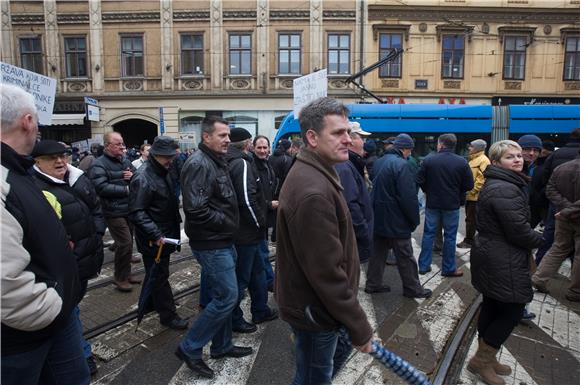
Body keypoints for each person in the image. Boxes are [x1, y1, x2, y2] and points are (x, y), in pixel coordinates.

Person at [275, 97, 373, 385]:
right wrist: (360, 326)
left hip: (317, 307)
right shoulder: (313, 191)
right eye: (338, 133)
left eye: (348, 132)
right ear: (312, 138)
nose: (348, 139)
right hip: (316, 310)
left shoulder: (316, 171)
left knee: (313, 372)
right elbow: (326, 272)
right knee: (314, 378)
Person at [1, 84, 89, 385]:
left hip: (48, 322)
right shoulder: (5, 178)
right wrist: (55, 305)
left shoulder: (17, 170)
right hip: (27, 335)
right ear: (27, 121)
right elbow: (4, 282)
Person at [177, 117, 252, 379]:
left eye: (228, 135)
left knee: (221, 295)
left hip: (222, 239)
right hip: (212, 242)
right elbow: (196, 209)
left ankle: (221, 345)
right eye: (222, 135)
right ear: (206, 137)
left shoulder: (215, 159)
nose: (228, 140)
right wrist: (228, 223)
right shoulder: (199, 163)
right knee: (227, 297)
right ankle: (190, 347)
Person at [468, 140, 543, 385]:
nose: (519, 159)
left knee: (493, 304)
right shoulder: (505, 188)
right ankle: (482, 361)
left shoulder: (503, 183)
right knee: (511, 310)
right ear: (498, 161)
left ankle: (485, 358)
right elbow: (519, 231)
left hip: (495, 253)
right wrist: (543, 239)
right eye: (510, 157)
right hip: (502, 256)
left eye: (519, 155)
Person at [31, 140, 106, 376]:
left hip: (86, 258)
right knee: (69, 310)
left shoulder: (78, 177)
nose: (60, 161)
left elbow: (96, 207)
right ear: (37, 162)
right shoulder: (35, 187)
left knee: (74, 306)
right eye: (52, 158)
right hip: (67, 264)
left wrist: (96, 232)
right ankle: (81, 353)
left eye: (63, 156)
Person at [129, 136, 188, 330]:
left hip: (164, 234)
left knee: (156, 273)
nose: (171, 161)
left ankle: (153, 303)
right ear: (157, 155)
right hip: (155, 239)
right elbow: (137, 212)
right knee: (159, 276)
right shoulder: (143, 177)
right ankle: (168, 315)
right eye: (168, 157)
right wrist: (155, 234)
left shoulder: (164, 169)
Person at [366, 134, 432, 299]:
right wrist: (414, 220)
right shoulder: (402, 165)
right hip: (396, 220)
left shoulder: (379, 161)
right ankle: (412, 289)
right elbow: (408, 197)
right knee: (405, 257)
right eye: (409, 150)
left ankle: (373, 284)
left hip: (378, 217)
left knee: (377, 253)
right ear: (405, 149)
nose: (410, 153)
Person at [225, 128, 278, 334]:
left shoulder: (232, 160)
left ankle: (260, 310)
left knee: (257, 272)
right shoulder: (242, 163)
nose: (262, 150)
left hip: (248, 231)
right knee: (241, 278)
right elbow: (246, 199)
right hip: (247, 232)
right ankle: (233, 319)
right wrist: (260, 222)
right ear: (248, 144)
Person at [417, 133, 474, 277]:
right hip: (452, 204)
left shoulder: (429, 161)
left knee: (429, 234)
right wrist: (457, 191)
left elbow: (419, 179)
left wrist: (428, 190)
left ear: (441, 144)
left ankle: (424, 266)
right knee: (450, 236)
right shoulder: (462, 162)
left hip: (433, 203)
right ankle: (448, 268)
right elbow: (469, 185)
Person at [90, 132, 140, 292]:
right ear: (107, 146)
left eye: (122, 144)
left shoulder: (125, 160)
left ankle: (126, 274)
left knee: (128, 242)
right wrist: (125, 189)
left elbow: (138, 177)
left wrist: (133, 176)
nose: (122, 147)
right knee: (124, 243)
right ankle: (120, 278)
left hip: (128, 208)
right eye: (118, 144)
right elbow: (100, 187)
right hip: (112, 210)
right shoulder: (99, 164)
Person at [532, 149, 580, 302]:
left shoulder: (561, 168)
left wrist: (565, 209)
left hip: (562, 216)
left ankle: (539, 278)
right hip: (568, 215)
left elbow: (550, 189)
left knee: (558, 247)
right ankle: (575, 290)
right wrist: (570, 210)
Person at [535, 128, 580, 263]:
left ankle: (539, 266)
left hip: (557, 206)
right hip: (577, 208)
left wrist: (562, 204)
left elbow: (546, 180)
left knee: (552, 240)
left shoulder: (556, 154)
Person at [336, 122, 374, 263]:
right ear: (350, 141)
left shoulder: (352, 163)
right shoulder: (345, 167)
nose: (364, 142)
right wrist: (364, 233)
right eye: (361, 138)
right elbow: (351, 205)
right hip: (355, 238)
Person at [252, 135, 279, 291]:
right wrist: (269, 204)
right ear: (253, 148)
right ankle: (270, 281)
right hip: (258, 217)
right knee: (262, 252)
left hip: (265, 215)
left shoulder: (267, 164)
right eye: (259, 148)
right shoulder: (252, 166)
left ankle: (269, 280)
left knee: (262, 252)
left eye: (265, 147)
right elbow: (252, 195)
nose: (262, 150)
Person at [457, 139, 490, 249]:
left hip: (475, 197)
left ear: (477, 148)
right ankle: (471, 240)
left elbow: (482, 179)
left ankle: (469, 241)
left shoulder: (483, 160)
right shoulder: (474, 160)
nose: (469, 149)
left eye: (471, 147)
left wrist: (471, 191)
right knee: (470, 219)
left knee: (471, 220)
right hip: (471, 196)